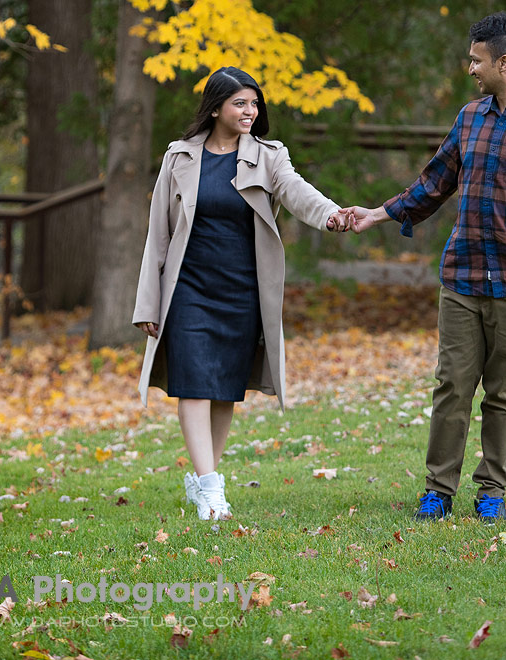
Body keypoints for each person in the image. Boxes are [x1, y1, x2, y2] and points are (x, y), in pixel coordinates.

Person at [348, 13, 506, 523]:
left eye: (476, 60)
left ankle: (492, 493)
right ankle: (438, 489)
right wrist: (379, 213)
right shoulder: (471, 117)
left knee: (503, 393)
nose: (470, 69)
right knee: (452, 387)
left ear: (504, 62)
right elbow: (435, 181)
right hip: (461, 278)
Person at [133, 66, 349, 522]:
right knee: (192, 384)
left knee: (225, 388)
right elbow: (158, 234)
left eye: (254, 103)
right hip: (187, 287)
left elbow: (296, 191)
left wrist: (329, 215)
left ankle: (203, 479)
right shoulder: (179, 158)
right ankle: (211, 488)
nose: (250, 111)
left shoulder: (269, 156)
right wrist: (148, 304)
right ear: (215, 108)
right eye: (240, 103)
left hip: (242, 289)